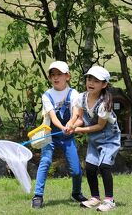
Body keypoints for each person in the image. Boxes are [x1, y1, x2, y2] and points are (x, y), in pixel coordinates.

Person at [31, 61, 87, 209]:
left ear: (67, 76)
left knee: (76, 170)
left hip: (67, 136)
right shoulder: (46, 95)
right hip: (49, 135)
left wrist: (71, 125)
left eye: (59, 74)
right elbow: (53, 117)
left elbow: (76, 114)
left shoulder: (74, 94)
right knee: (45, 161)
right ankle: (38, 196)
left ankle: (76, 193)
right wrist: (63, 126)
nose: (56, 78)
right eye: (52, 75)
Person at [68, 66, 121, 212]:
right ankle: (95, 198)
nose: (91, 82)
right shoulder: (81, 98)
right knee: (90, 167)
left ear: (104, 85)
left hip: (109, 139)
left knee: (104, 166)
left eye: (96, 80)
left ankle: (110, 200)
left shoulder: (104, 104)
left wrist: (79, 130)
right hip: (94, 139)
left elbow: (99, 126)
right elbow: (79, 118)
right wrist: (71, 125)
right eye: (89, 78)